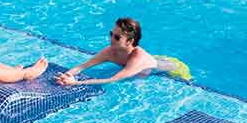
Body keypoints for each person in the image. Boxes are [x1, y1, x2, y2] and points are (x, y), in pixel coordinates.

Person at [55, 17, 191, 86]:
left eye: (117, 37)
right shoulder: (110, 51)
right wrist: (67, 75)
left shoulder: (138, 59)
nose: (111, 39)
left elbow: (112, 79)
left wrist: (75, 83)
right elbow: (83, 66)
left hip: (174, 68)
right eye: (111, 34)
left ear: (129, 42)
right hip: (153, 60)